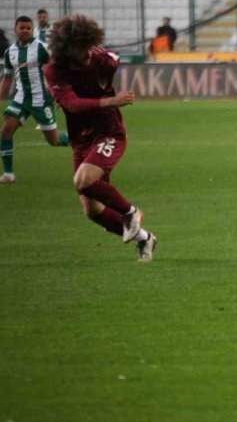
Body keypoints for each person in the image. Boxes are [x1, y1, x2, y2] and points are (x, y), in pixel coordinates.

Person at [44, 15, 157, 261]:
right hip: (81, 140)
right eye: (79, 47)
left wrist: (104, 60)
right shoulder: (54, 71)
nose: (85, 51)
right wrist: (112, 101)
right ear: (65, 49)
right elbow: (72, 105)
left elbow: (113, 60)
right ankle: (145, 238)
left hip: (109, 132)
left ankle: (131, 212)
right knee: (91, 209)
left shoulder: (99, 61)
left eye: (87, 44)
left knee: (83, 180)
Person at [0, 16, 69, 184]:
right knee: (6, 130)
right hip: (21, 98)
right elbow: (7, 78)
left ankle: (81, 137)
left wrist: (61, 92)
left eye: (28, 28)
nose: (24, 30)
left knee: (54, 140)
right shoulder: (10, 52)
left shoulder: (41, 48)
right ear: (15, 30)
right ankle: (8, 174)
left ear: (32, 30)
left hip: (41, 99)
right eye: (21, 27)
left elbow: (57, 68)